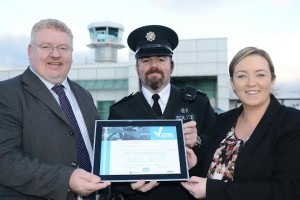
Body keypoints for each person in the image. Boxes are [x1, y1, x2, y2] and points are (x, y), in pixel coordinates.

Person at [0, 19, 110, 199]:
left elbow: (98, 151)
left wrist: (130, 176)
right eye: (46, 47)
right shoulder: (6, 94)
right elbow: (5, 160)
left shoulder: (84, 95)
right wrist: (65, 179)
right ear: (30, 51)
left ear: (72, 54)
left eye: (63, 48)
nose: (55, 54)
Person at [108, 25, 217, 200]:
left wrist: (197, 142)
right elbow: (111, 170)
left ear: (171, 66)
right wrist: (129, 185)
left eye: (161, 59)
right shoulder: (120, 111)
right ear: (137, 68)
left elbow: (219, 152)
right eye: (145, 60)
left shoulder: (198, 103)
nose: (153, 66)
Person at [181, 47, 300, 200]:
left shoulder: (292, 122)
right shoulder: (223, 120)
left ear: (272, 79)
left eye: (260, 74)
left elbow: (288, 190)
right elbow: (213, 172)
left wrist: (212, 190)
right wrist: (195, 165)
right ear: (232, 83)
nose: (251, 83)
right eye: (242, 76)